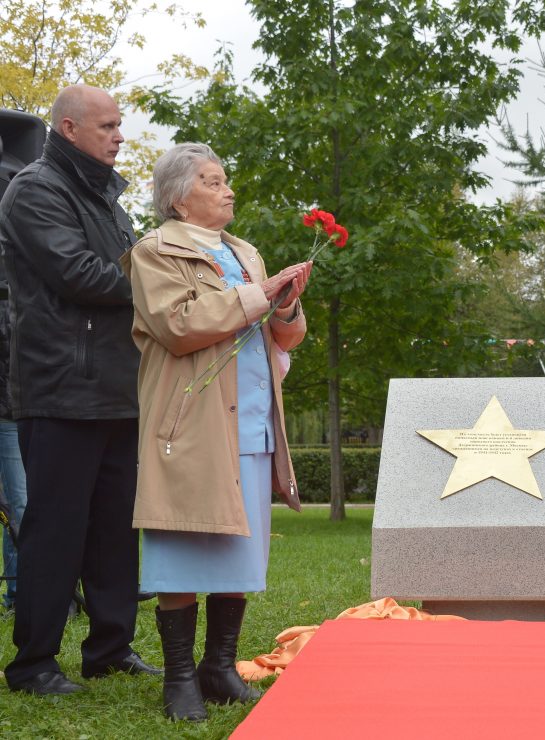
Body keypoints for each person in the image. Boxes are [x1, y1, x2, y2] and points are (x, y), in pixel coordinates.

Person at [123, 142, 309, 721]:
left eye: (225, 180)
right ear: (179, 197)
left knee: (239, 550)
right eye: (212, 181)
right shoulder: (154, 251)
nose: (227, 190)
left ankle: (219, 668)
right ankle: (179, 678)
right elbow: (179, 326)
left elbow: (281, 338)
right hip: (191, 424)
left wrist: (283, 308)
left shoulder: (245, 252)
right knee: (182, 540)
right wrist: (258, 296)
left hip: (251, 424)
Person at [0, 85, 160, 695]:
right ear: (69, 128)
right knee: (55, 528)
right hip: (62, 388)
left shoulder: (107, 199)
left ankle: (110, 648)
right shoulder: (34, 189)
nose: (120, 135)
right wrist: (163, 281)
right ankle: (34, 662)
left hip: (119, 386)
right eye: (109, 126)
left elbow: (122, 268)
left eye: (120, 125)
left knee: (116, 529)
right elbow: (79, 274)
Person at [0, 265, 27, 614]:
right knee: (19, 506)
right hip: (8, 414)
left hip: (27, 412)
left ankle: (27, 595)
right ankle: (19, 595)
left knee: (30, 506)